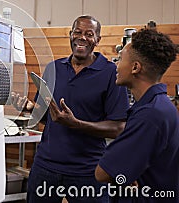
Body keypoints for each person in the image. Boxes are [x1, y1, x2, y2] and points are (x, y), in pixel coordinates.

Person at [11, 15, 129, 202]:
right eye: (78, 32)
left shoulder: (110, 74)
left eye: (89, 34)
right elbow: (50, 119)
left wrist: (76, 124)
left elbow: (118, 128)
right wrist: (30, 108)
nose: (82, 37)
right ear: (70, 35)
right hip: (45, 168)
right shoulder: (53, 69)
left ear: (98, 40)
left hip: (88, 171)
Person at [92, 28, 179, 202]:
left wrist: (119, 173)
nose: (116, 64)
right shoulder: (161, 107)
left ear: (135, 67)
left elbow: (102, 173)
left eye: (121, 59)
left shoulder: (150, 115)